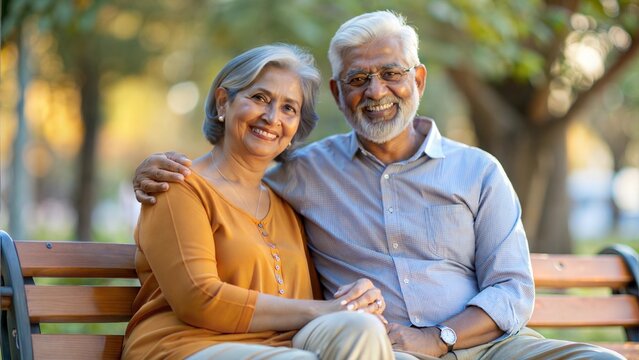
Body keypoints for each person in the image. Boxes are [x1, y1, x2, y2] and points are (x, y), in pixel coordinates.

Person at [132, 12, 624, 360]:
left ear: (420, 80)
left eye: (391, 74)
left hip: (493, 346)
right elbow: (230, 168)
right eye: (358, 78)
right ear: (337, 94)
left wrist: (439, 338)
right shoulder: (299, 173)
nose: (376, 91)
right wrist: (152, 169)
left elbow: (513, 290)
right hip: (386, 350)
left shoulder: (479, 172)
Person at [122, 43, 396, 360]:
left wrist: (356, 302)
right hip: (185, 346)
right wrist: (323, 309)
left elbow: (310, 301)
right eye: (260, 98)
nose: (271, 117)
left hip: (279, 348)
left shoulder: (285, 204)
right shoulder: (178, 187)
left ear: (294, 130)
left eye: (288, 108)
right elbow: (198, 298)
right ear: (223, 102)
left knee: (365, 331)